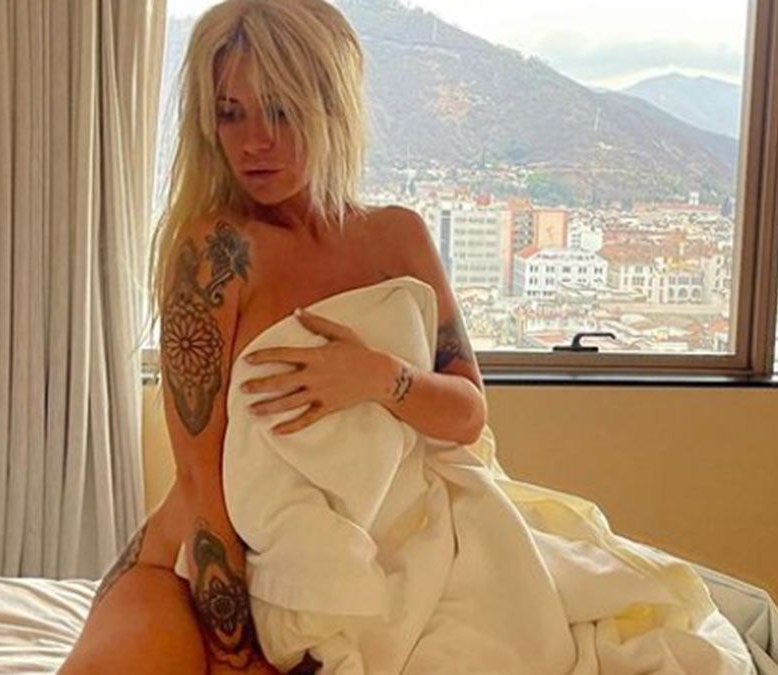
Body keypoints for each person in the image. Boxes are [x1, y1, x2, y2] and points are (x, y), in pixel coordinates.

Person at [60, 0, 486, 672]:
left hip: (367, 568)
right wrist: (239, 659)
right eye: (231, 113)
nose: (254, 141)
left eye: (281, 110)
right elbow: (200, 483)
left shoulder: (398, 237)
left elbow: (467, 417)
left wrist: (379, 377)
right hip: (198, 575)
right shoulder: (215, 254)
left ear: (331, 107)